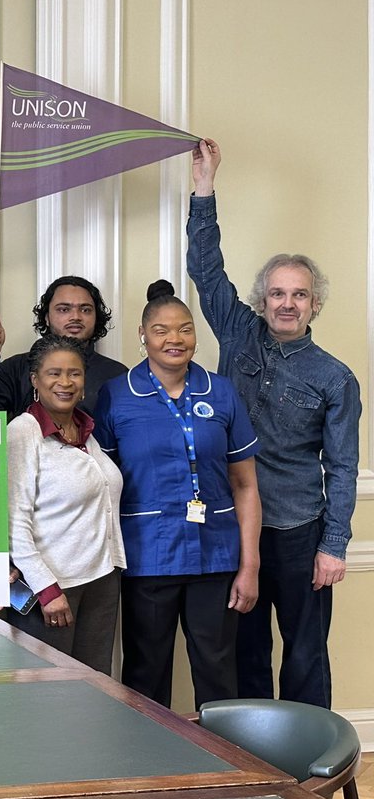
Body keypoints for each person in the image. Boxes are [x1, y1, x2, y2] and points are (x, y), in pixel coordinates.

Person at [185, 139, 359, 708]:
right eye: (278, 293)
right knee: (246, 651)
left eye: (300, 295)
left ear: (315, 304)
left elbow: (343, 464)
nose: (287, 303)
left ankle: (309, 769)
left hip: (300, 530)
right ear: (263, 299)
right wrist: (205, 189)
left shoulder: (335, 378)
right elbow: (207, 272)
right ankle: (259, 762)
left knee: (306, 652)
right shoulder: (238, 334)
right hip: (233, 524)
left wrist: (333, 546)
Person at [94, 280, 261, 709]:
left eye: (184, 329)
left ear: (195, 335)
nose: (175, 339)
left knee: (217, 669)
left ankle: (225, 770)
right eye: (162, 330)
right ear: (143, 335)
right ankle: (151, 769)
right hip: (147, 557)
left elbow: (244, 484)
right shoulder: (117, 395)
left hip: (216, 556)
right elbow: (104, 483)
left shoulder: (221, 391)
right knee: (145, 672)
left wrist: (249, 565)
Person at [3, 335, 125, 673]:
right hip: (54, 588)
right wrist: (46, 588)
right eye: (54, 373)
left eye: (74, 374)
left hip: (100, 579)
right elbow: (15, 521)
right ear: (35, 381)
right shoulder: (23, 433)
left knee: (96, 689)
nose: (65, 382)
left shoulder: (87, 431)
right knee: (49, 696)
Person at [0, 276, 127, 420]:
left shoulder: (116, 375)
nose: (76, 317)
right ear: (47, 318)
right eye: (64, 309)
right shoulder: (15, 368)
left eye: (85, 310)